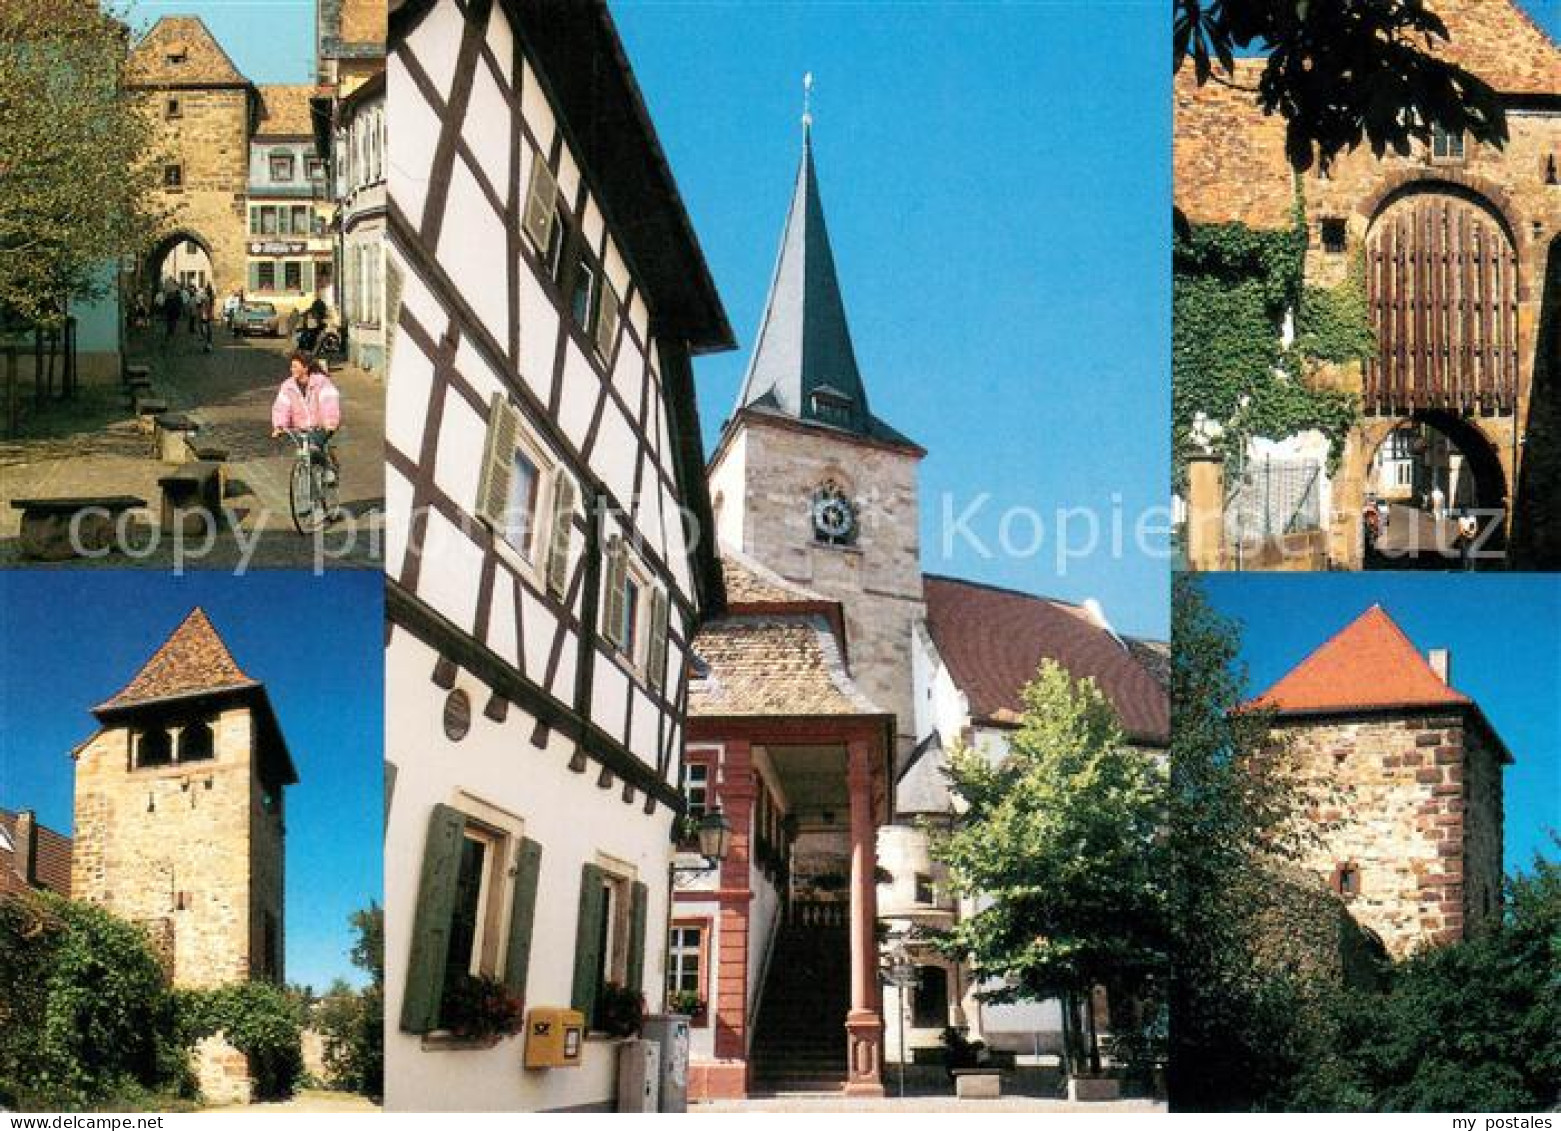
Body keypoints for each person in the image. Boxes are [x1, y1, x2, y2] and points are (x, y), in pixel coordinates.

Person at [271, 350, 342, 483]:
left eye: (295, 366)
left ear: (305, 367)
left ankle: (328, 467)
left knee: (314, 447)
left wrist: (330, 421)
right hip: (301, 427)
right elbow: (281, 407)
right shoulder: (287, 387)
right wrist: (279, 426)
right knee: (304, 453)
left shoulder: (321, 382)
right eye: (291, 366)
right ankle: (308, 484)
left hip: (321, 426)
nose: (292, 370)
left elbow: (329, 401)